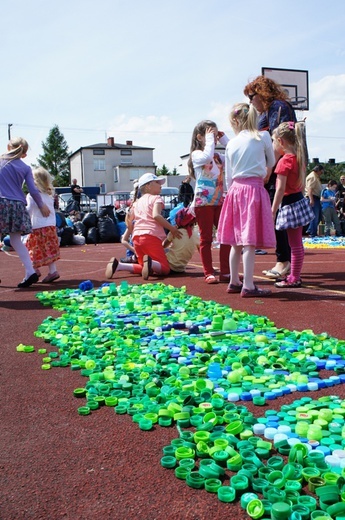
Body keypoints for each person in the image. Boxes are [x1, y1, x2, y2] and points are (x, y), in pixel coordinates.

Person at [218, 103, 276, 298]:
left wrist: (228, 192)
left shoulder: (231, 143)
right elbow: (271, 162)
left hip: (235, 190)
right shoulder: (263, 136)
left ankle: (235, 281)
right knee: (249, 241)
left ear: (235, 121)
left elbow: (228, 174)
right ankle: (249, 285)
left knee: (236, 241)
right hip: (253, 189)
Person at [244, 75, 297, 279]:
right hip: (279, 166)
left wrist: (268, 169)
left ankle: (283, 261)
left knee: (278, 212)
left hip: (281, 167)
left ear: (261, 93)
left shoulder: (277, 107)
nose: (251, 101)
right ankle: (287, 259)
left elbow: (278, 142)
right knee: (279, 213)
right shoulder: (268, 112)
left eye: (251, 96)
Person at [105, 173, 182, 280]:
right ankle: (150, 263)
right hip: (151, 237)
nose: (160, 185)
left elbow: (130, 221)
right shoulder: (156, 199)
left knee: (143, 266)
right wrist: (172, 229)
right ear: (148, 186)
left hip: (137, 238)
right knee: (165, 269)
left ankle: (119, 266)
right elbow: (156, 215)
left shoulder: (136, 203)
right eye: (157, 182)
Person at [0, 137, 50, 288]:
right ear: (24, 153)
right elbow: (33, 190)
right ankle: (30, 271)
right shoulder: (25, 168)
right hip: (18, 205)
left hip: (1, 202)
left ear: (9, 147)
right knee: (15, 240)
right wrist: (41, 205)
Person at [271, 121, 315, 288]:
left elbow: (280, 189)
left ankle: (294, 277)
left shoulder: (284, 161)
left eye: (274, 141)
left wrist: (273, 210)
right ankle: (294, 275)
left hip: (289, 204)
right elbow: (301, 185)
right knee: (297, 244)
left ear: (281, 141)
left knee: (294, 245)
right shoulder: (299, 159)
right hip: (298, 201)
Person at [188, 120, 230, 284]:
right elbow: (206, 156)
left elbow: (235, 153)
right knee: (206, 238)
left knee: (226, 236)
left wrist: (224, 139)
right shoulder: (197, 155)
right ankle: (209, 272)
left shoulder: (219, 157)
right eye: (209, 134)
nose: (213, 137)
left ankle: (226, 272)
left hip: (220, 200)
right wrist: (210, 139)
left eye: (214, 134)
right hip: (203, 202)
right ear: (200, 137)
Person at [25, 167, 60, 283]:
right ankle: (52, 271)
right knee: (48, 249)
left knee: (33, 249)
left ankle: (34, 269)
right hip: (50, 226)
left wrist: (23, 214)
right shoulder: (49, 195)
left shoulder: (32, 195)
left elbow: (29, 209)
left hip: (37, 226)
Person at [163, 205, 200, 272]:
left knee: (162, 250)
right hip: (180, 268)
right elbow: (201, 250)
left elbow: (163, 246)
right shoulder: (195, 235)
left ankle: (152, 265)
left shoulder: (175, 232)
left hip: (168, 264)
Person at [305, 165, 324, 237]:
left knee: (318, 216)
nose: (322, 173)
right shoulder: (312, 177)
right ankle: (312, 233)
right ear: (318, 170)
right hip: (313, 198)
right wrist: (311, 199)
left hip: (316, 198)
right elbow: (310, 189)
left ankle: (310, 230)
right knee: (314, 217)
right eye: (321, 171)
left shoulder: (315, 176)